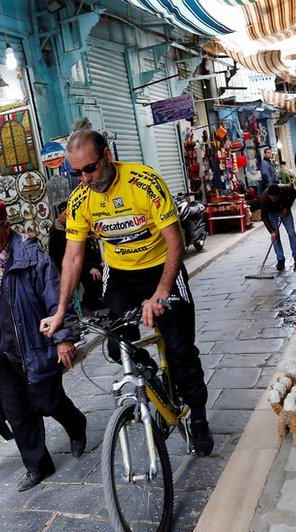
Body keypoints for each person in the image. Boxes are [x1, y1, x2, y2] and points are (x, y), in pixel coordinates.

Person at [38, 129, 214, 457]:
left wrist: (161, 292)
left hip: (162, 269)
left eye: (89, 168)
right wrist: (61, 310)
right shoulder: (80, 200)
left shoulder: (143, 182)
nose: (85, 178)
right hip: (120, 276)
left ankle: (199, 417)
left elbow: (175, 240)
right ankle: (151, 378)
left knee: (180, 350)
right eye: (76, 172)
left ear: (107, 156)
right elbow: (73, 256)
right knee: (117, 345)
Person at [0, 201, 87, 492]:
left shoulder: (33, 257)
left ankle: (76, 423)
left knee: (47, 401)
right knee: (17, 412)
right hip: (0, 351)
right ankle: (37, 466)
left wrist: (63, 338)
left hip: (32, 345)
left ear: (6, 228)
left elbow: (55, 298)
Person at [48, 201, 104, 312]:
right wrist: (89, 268)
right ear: (61, 215)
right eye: (65, 214)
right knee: (92, 278)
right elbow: (64, 259)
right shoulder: (57, 235)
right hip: (69, 269)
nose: (67, 216)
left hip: (83, 264)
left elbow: (85, 250)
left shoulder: (74, 226)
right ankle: (91, 306)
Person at [259, 184, 296, 272]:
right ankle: (280, 259)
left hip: (284, 208)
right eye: (271, 198)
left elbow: (294, 192)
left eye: (275, 198)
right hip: (272, 213)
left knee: (291, 232)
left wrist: (287, 207)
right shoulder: (264, 198)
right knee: (275, 237)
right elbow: (264, 217)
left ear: (280, 194)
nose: (273, 200)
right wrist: (272, 231)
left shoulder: (285, 189)